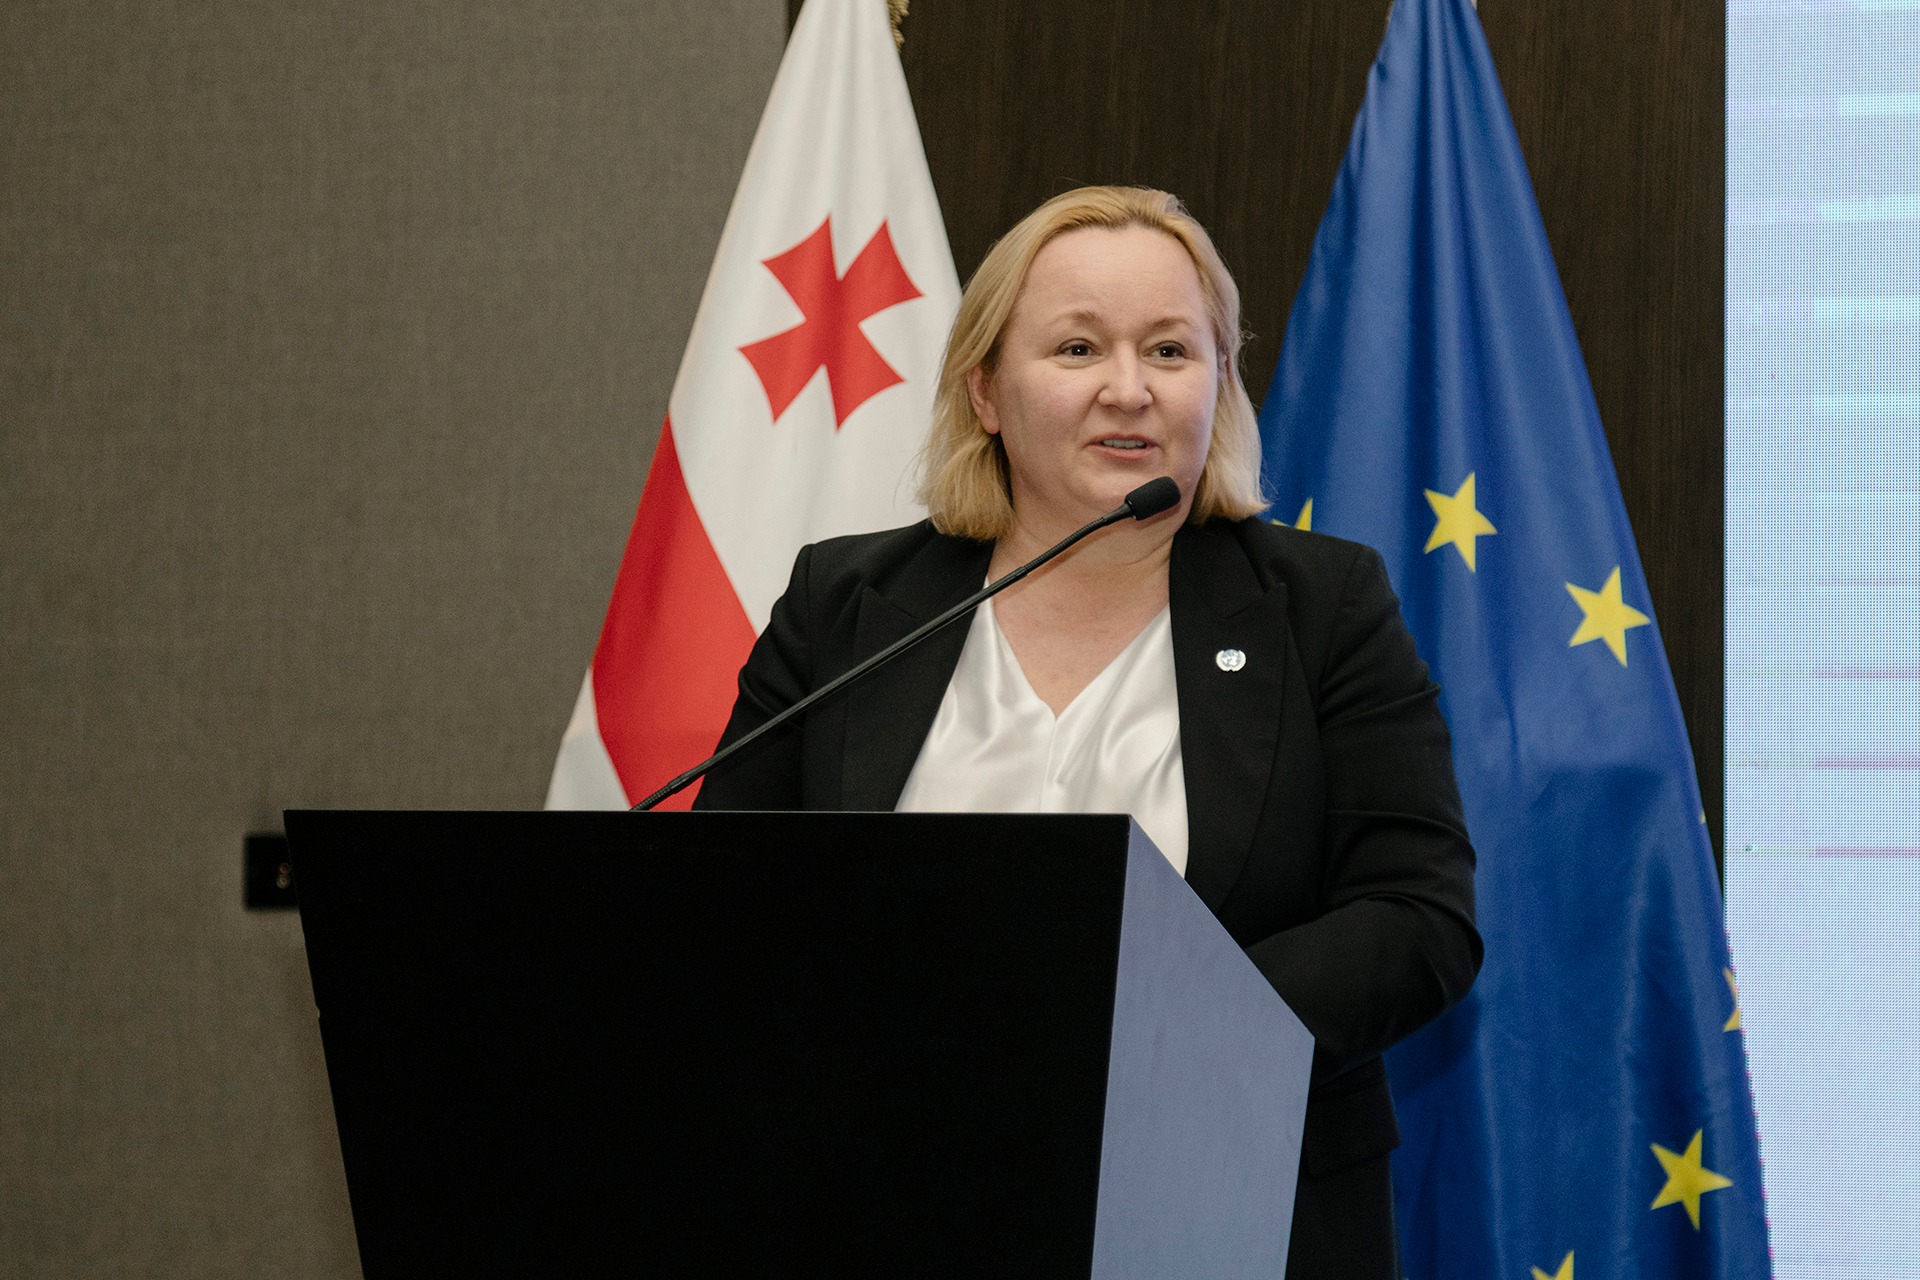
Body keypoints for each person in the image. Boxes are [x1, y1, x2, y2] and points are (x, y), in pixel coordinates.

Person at [694, 185, 1480, 1278]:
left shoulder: (1323, 608)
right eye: (1077, 347)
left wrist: (1141, 1029)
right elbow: (721, 905)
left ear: (1219, 382)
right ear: (985, 391)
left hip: (1227, 1202)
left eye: (1170, 349)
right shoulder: (848, 606)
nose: (1129, 388)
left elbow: (1417, 917)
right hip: (880, 1196)